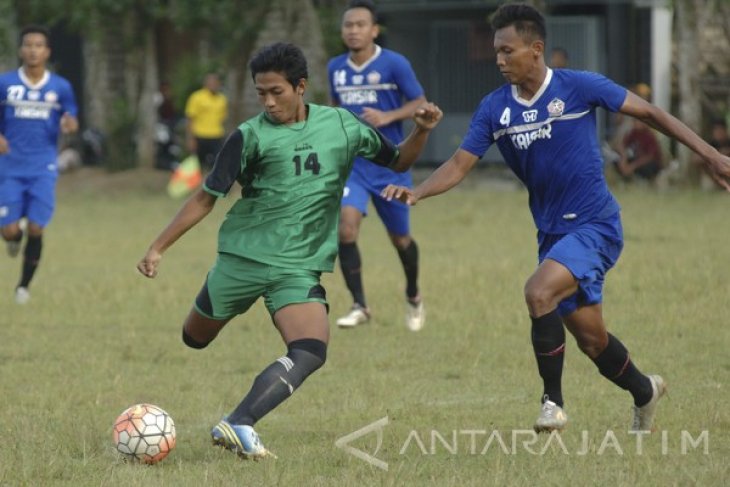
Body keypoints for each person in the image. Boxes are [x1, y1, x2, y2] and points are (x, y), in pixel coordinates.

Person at [382, 3, 730, 434]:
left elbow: (651, 114)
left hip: (595, 225)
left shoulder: (579, 86)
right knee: (593, 341)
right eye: (497, 52)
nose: (499, 60)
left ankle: (552, 404)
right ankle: (646, 391)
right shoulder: (495, 109)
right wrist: (416, 191)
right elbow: (458, 164)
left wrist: (711, 155)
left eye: (508, 51)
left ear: (536, 49)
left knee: (537, 292)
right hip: (552, 235)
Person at [137, 42, 442, 459]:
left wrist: (421, 130)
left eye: (276, 92)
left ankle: (240, 422)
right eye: (260, 93)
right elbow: (205, 198)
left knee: (311, 348)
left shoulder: (342, 126)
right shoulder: (248, 136)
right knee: (195, 339)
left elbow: (399, 161)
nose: (267, 101)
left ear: (301, 87)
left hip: (298, 267)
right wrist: (158, 248)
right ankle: (217, 313)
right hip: (242, 259)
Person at [328, 0, 428, 331]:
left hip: (390, 165)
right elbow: (334, 108)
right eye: (348, 25)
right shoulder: (335, 69)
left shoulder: (394, 63)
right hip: (353, 165)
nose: (353, 30)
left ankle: (413, 295)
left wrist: (388, 116)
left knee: (400, 239)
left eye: (360, 24)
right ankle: (359, 305)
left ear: (374, 30)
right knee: (346, 227)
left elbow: (419, 102)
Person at [0, 25, 79, 304]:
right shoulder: (6, 83)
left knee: (36, 227)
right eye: (28, 45)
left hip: (43, 167)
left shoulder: (60, 87)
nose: (33, 50)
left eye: (38, 45)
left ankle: (23, 287)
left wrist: (70, 124)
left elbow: (72, 119)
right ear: (21, 50)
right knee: (10, 230)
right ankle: (11, 238)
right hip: (9, 167)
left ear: (46, 51)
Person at [184, 72, 228, 172]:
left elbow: (223, 118)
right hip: (200, 135)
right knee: (198, 166)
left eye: (215, 83)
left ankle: (216, 185)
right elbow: (190, 118)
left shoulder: (222, 99)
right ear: (206, 83)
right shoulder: (196, 97)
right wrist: (190, 138)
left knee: (218, 163)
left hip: (216, 135)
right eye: (210, 82)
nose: (213, 85)